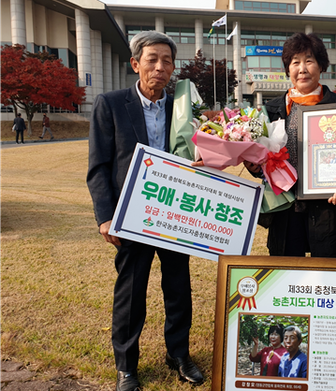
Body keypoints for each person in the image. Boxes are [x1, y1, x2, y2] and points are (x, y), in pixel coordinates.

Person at [86, 31, 204, 391]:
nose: (159, 67)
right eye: (152, 59)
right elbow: (98, 167)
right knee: (131, 293)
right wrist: (106, 217)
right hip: (131, 216)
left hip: (174, 215)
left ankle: (178, 354)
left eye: (167, 61)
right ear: (136, 64)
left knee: (178, 289)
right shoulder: (111, 104)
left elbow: (199, 153)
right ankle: (126, 367)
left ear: (173, 69)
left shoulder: (182, 108)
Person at [245, 32, 336, 258]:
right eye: (295, 62)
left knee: (330, 275)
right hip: (286, 209)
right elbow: (263, 159)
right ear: (288, 69)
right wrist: (256, 167)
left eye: (309, 61)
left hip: (330, 208)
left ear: (321, 66)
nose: (302, 69)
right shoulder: (271, 111)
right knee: (289, 276)